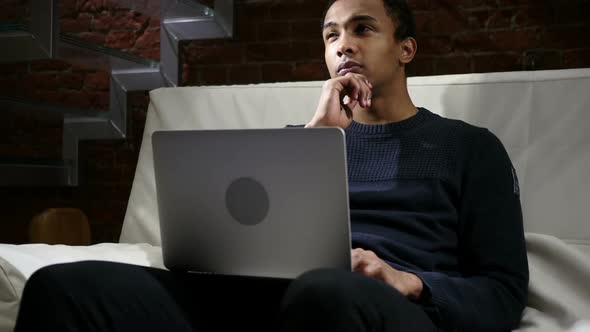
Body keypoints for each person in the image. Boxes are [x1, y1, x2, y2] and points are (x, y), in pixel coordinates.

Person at [14, 0, 529, 331]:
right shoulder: (297, 143)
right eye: (330, 36)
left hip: (376, 307)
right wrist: (319, 137)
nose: (343, 44)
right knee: (59, 289)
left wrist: (411, 282)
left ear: (406, 49)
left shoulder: (469, 148)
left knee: (323, 291)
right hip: (259, 303)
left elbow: (503, 290)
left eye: (363, 28)